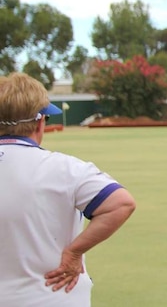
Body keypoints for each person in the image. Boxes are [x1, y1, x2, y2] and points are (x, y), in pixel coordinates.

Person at [0, 72, 136, 306]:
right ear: (41, 122)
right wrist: (74, 253)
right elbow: (121, 203)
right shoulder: (66, 168)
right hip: (53, 297)